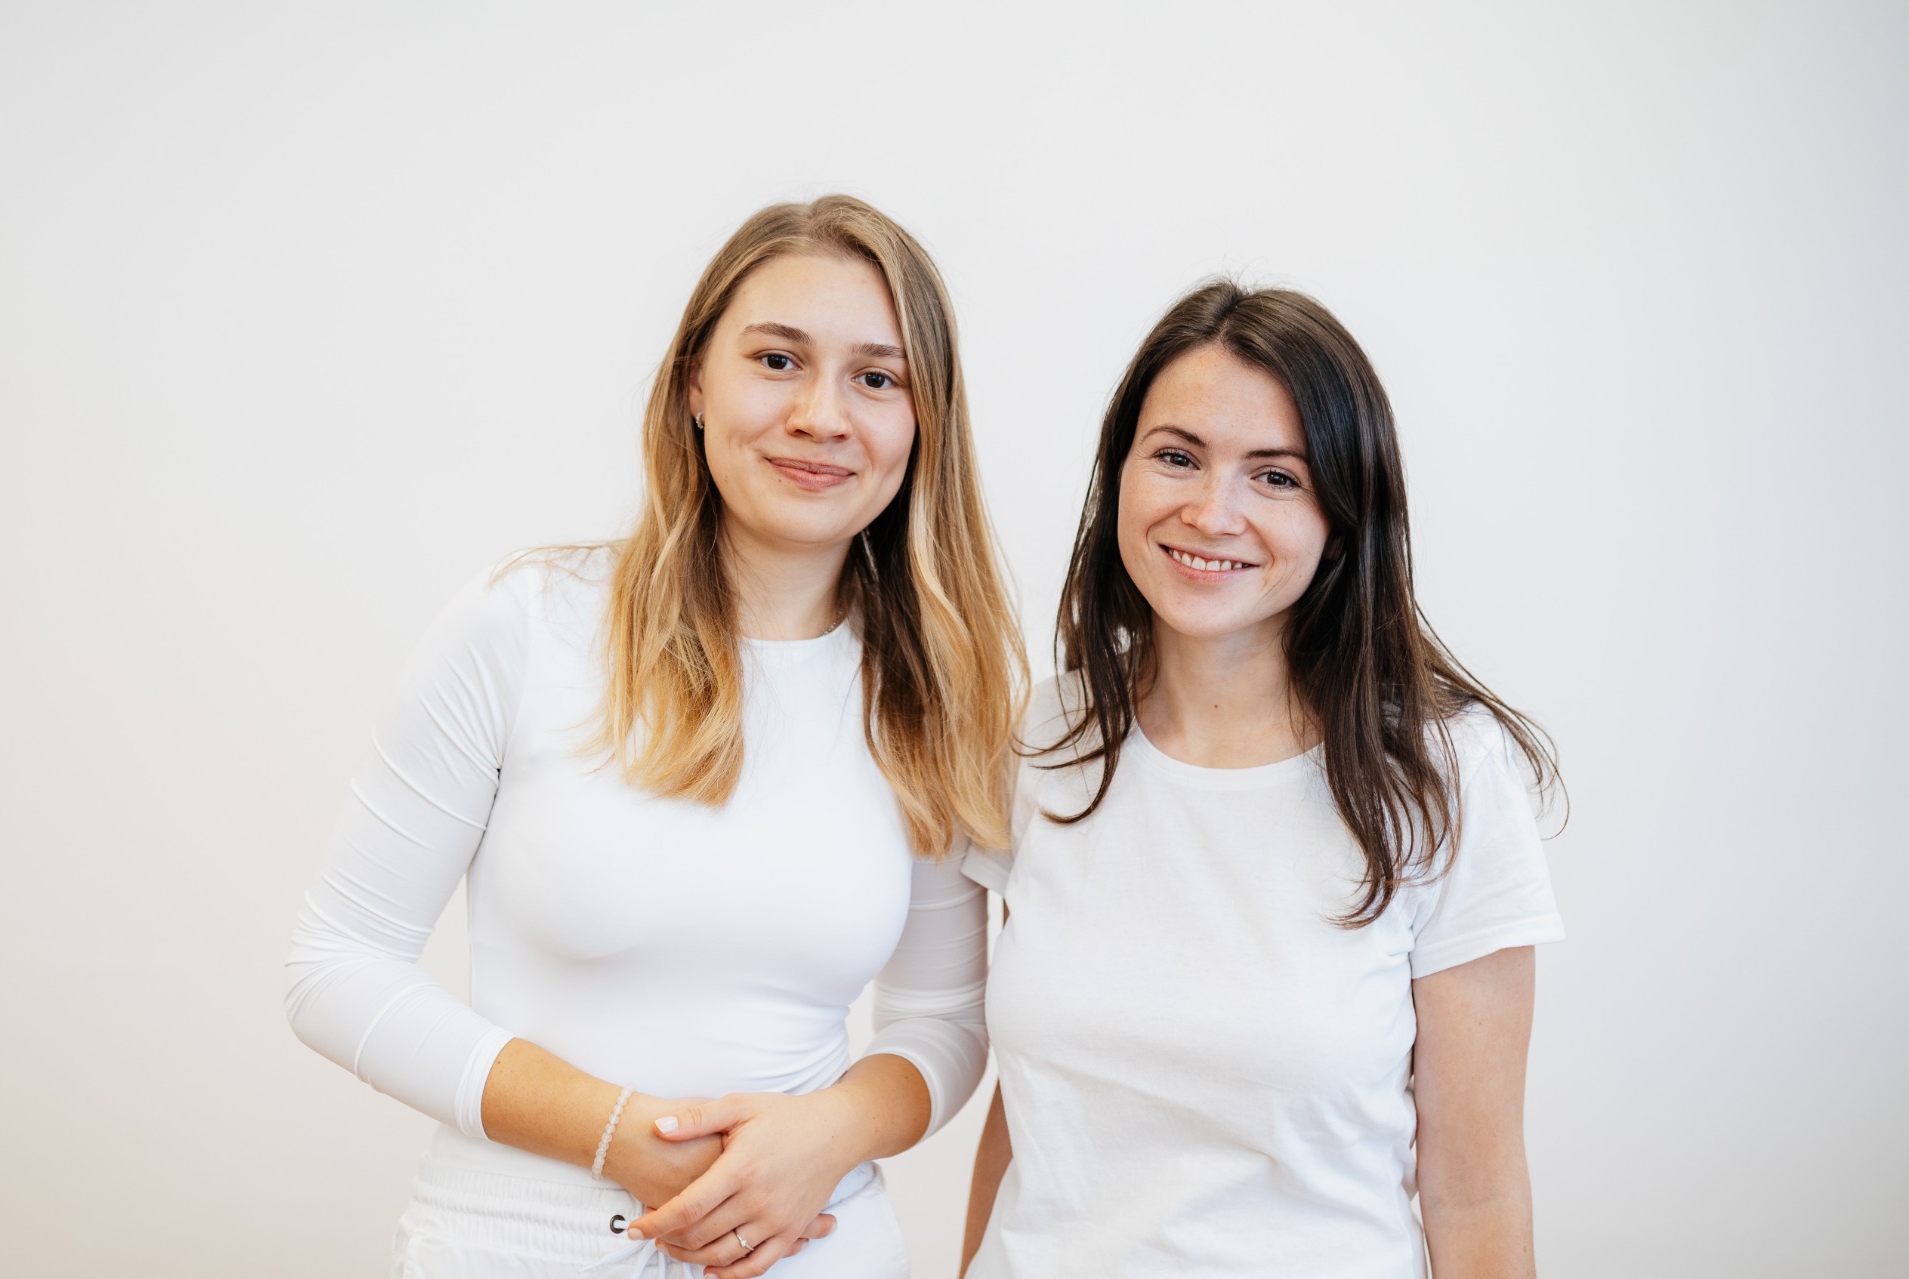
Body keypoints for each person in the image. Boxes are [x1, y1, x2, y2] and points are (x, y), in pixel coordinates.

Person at [286, 194, 1023, 1279]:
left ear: (924, 423)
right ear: (694, 383)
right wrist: (617, 1134)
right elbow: (335, 966)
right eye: (777, 360)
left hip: (816, 1247)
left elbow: (943, 1021)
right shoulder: (526, 622)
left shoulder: (933, 691)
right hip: (519, 1245)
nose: (823, 414)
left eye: (878, 378)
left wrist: (827, 1135)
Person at [959, 281, 1565, 1278]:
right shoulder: (1045, 738)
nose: (1212, 512)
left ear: (1344, 512)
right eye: (1177, 456)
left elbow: (1478, 1191)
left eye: (1276, 476)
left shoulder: (1444, 775)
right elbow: (1034, 1114)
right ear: (1119, 474)